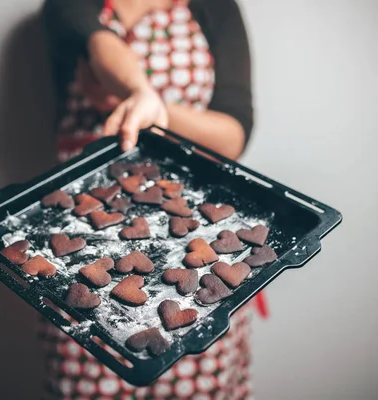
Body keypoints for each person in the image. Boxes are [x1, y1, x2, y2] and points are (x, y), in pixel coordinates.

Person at [40, 0, 266, 398]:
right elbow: (99, 43)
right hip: (86, 235)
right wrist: (139, 91)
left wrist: (154, 110)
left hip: (198, 239)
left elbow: (232, 134)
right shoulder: (69, 4)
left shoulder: (216, 8)